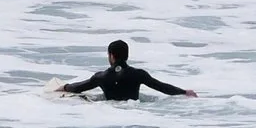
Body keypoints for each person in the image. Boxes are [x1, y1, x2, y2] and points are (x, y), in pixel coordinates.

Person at [60, 40, 197, 100]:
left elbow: (78, 88)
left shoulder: (101, 77)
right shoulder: (138, 74)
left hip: (108, 110)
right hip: (133, 109)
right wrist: (184, 92)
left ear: (111, 56)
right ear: (127, 55)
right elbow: (162, 87)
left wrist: (65, 87)